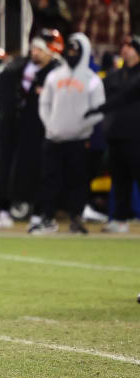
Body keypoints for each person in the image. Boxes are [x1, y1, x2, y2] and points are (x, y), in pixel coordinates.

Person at [0, 31, 60, 231]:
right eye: (33, 49)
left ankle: (39, 213)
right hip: (15, 125)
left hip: (42, 128)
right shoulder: (17, 68)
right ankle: (3, 211)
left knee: (39, 170)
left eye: (40, 49)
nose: (35, 53)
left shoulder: (56, 73)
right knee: (5, 166)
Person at [33, 33, 104, 235]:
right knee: (49, 180)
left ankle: (76, 218)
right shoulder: (55, 76)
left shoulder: (92, 80)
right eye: (69, 51)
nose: (72, 54)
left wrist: (81, 127)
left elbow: (98, 110)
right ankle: (47, 218)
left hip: (79, 139)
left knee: (78, 182)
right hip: (54, 137)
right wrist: (50, 126)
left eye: (76, 51)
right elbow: (44, 103)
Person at [91, 36, 140, 233]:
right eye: (124, 46)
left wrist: (102, 106)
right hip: (117, 134)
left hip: (137, 134)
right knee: (120, 179)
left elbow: (126, 93)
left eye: (130, 47)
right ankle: (120, 219)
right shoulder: (117, 75)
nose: (125, 50)